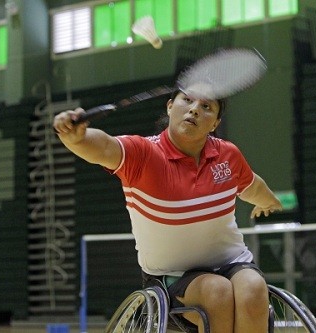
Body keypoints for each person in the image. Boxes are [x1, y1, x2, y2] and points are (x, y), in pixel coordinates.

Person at [53, 88, 283, 333]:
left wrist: (269, 201)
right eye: (187, 100)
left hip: (231, 262)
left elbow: (251, 184)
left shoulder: (227, 155)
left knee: (254, 289)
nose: (194, 109)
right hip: (171, 275)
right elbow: (105, 148)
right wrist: (76, 138)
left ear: (215, 122)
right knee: (217, 291)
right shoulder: (143, 154)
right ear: (170, 106)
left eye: (207, 107)